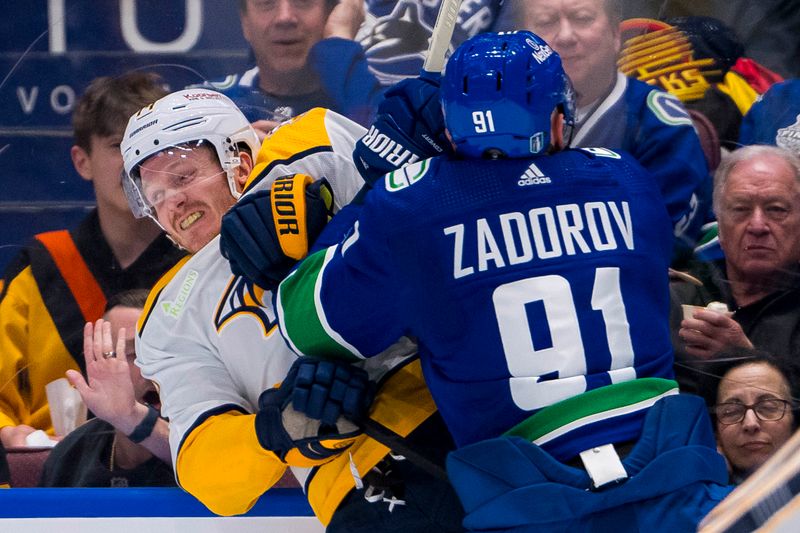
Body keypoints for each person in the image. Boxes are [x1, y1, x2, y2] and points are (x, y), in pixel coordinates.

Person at [274, 31, 730, 531]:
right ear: (558, 122)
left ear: (450, 129)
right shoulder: (627, 179)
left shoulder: (410, 206)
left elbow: (307, 324)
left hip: (533, 508)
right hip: (680, 490)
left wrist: (375, 183)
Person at [126, 88, 463, 531]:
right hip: (362, 488)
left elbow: (441, 233)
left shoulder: (308, 148)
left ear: (239, 161)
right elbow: (208, 477)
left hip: (463, 410)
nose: (172, 203)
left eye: (183, 177)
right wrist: (276, 428)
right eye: (155, 196)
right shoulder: (169, 313)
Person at [0, 73, 186, 448]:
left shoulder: (202, 263)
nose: (135, 161)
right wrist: (9, 432)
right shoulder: (40, 266)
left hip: (180, 481)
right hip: (53, 483)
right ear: (82, 161)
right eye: (119, 145)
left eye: (150, 145)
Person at [504, 0, 711, 259]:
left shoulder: (657, 124)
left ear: (615, 34)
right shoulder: (495, 118)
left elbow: (667, 244)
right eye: (546, 22)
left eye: (582, 18)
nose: (566, 36)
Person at [671, 145, 800, 393]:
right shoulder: (679, 295)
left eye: (776, 209)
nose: (758, 225)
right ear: (719, 224)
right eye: (740, 209)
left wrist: (742, 357)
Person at [39, 289, 174, 487]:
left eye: (161, 351)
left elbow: (197, 459)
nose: (148, 369)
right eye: (129, 353)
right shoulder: (70, 455)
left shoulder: (212, 431)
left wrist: (132, 417)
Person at [209, 0, 383, 135]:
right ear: (244, 22)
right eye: (266, 2)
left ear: (331, 12)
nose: (285, 18)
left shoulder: (372, 98)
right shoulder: (210, 104)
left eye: (303, 1)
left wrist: (338, 39)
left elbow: (387, 147)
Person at [698, 348, 798, 484]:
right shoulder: (694, 498)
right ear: (716, 433)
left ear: (794, 421)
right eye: (731, 411)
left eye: (768, 407)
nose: (750, 424)